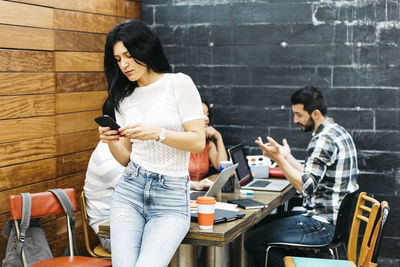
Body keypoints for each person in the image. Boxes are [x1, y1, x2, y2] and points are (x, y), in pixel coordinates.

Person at [99, 19, 205, 267]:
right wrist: (110, 140)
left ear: (145, 49)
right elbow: (125, 158)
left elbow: (198, 141)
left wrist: (159, 133)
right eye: (117, 59)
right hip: (130, 190)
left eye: (128, 55)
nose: (124, 65)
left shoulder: (178, 83)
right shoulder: (123, 98)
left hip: (171, 196)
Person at [244, 86, 359, 267]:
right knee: (258, 227)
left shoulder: (322, 140)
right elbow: (312, 175)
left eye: (299, 115)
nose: (295, 120)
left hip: (321, 225)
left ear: (315, 114)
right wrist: (286, 156)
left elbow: (304, 187)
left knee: (252, 241)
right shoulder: (338, 132)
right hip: (334, 223)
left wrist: (279, 160)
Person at [83, 98, 124, 253]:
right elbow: (139, 188)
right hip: (111, 234)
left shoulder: (123, 148)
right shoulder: (106, 156)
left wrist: (193, 185)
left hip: (127, 226)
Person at [189, 102, 228, 186]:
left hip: (199, 192)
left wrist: (219, 137)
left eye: (207, 114)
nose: (207, 119)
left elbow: (222, 168)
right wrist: (194, 185)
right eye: (202, 114)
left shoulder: (208, 145)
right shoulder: (180, 143)